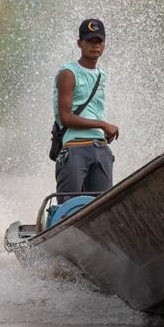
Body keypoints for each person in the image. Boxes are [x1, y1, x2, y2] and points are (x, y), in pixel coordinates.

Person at [52, 18, 119, 202]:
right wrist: (103, 125)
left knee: (102, 208)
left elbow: (93, 110)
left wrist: (102, 131)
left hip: (100, 148)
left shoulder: (101, 75)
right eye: (90, 41)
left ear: (104, 44)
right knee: (69, 209)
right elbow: (66, 118)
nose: (95, 46)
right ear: (79, 43)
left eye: (99, 41)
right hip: (74, 149)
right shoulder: (68, 73)